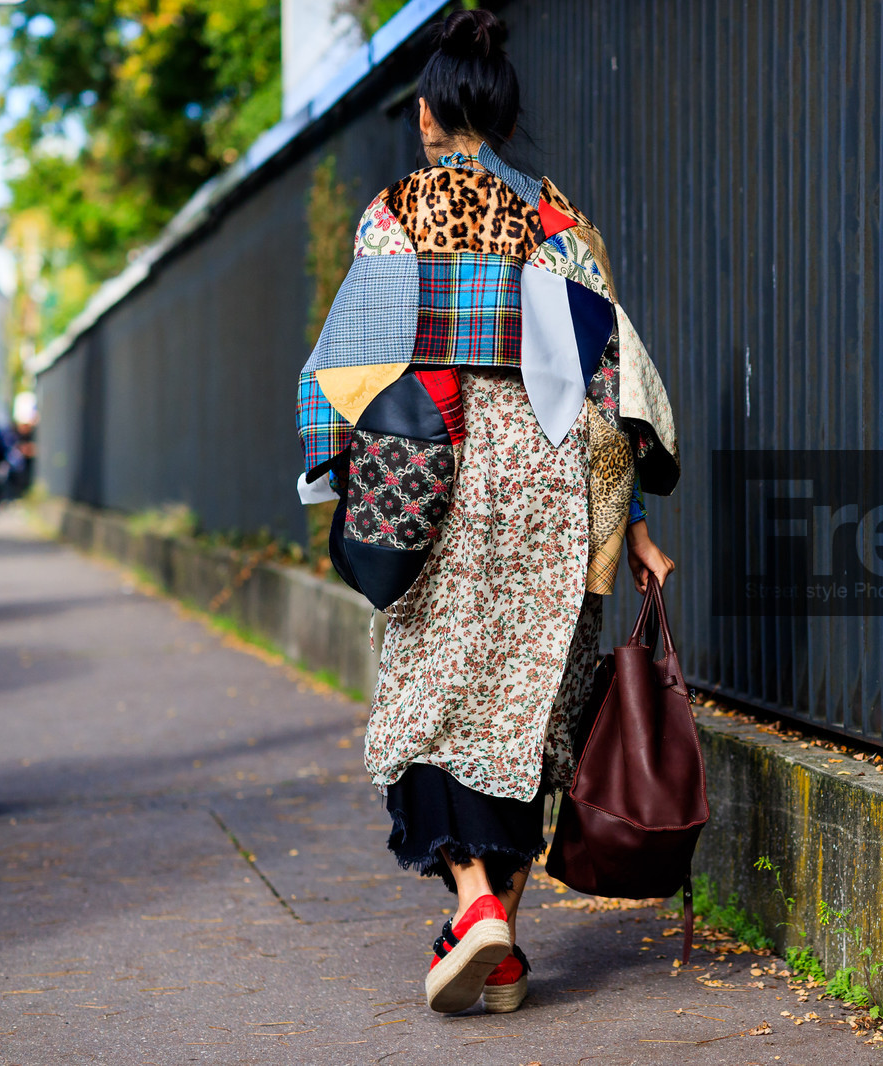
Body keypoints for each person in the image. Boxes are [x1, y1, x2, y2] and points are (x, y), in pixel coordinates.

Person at [295, 9, 679, 1015]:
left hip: (443, 474)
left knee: (431, 698)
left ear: (427, 118)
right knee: (527, 708)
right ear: (504, 120)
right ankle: (500, 949)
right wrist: (634, 526)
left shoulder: (394, 217)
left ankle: (474, 907)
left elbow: (347, 372)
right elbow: (609, 390)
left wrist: (335, 470)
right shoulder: (558, 223)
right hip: (551, 482)